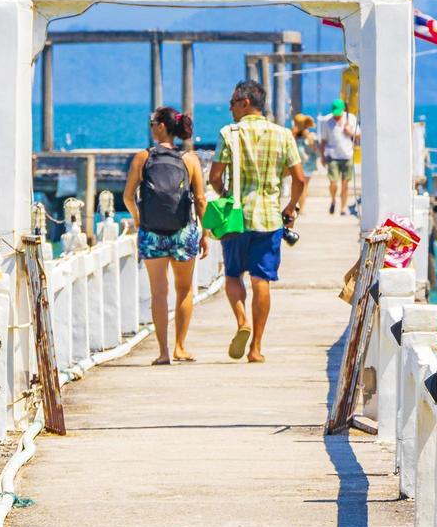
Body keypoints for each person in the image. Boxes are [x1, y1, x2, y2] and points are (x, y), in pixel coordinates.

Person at [209, 80, 306, 363]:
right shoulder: (283, 135)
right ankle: (256, 348)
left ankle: (242, 322)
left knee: (232, 275)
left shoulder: (229, 133)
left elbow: (215, 177)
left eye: (233, 103)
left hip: (237, 217)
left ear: (246, 102)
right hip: (270, 218)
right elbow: (299, 178)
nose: (230, 108)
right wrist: (290, 207)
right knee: (261, 279)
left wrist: (227, 195)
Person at [123, 106, 208, 365]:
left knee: (159, 293)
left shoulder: (142, 157)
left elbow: (127, 196)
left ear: (162, 126)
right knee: (184, 290)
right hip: (184, 232)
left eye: (152, 122)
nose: (151, 127)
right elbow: (201, 199)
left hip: (152, 233)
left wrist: (139, 221)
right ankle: (180, 347)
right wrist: (205, 233)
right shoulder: (190, 159)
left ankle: (163, 352)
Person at [319, 97, 360, 216]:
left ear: (343, 111)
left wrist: (350, 132)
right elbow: (323, 141)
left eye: (338, 113)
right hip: (332, 156)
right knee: (333, 182)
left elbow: (360, 135)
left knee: (345, 183)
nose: (336, 116)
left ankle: (343, 207)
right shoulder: (328, 122)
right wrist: (322, 156)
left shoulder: (350, 118)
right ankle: (333, 200)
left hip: (347, 155)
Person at [291, 114, 318, 214]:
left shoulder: (309, 135)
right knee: (298, 185)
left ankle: (301, 207)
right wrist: (293, 134)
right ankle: (297, 206)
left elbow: (314, 149)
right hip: (295, 162)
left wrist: (308, 136)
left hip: (307, 163)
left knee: (304, 185)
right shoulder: (293, 133)